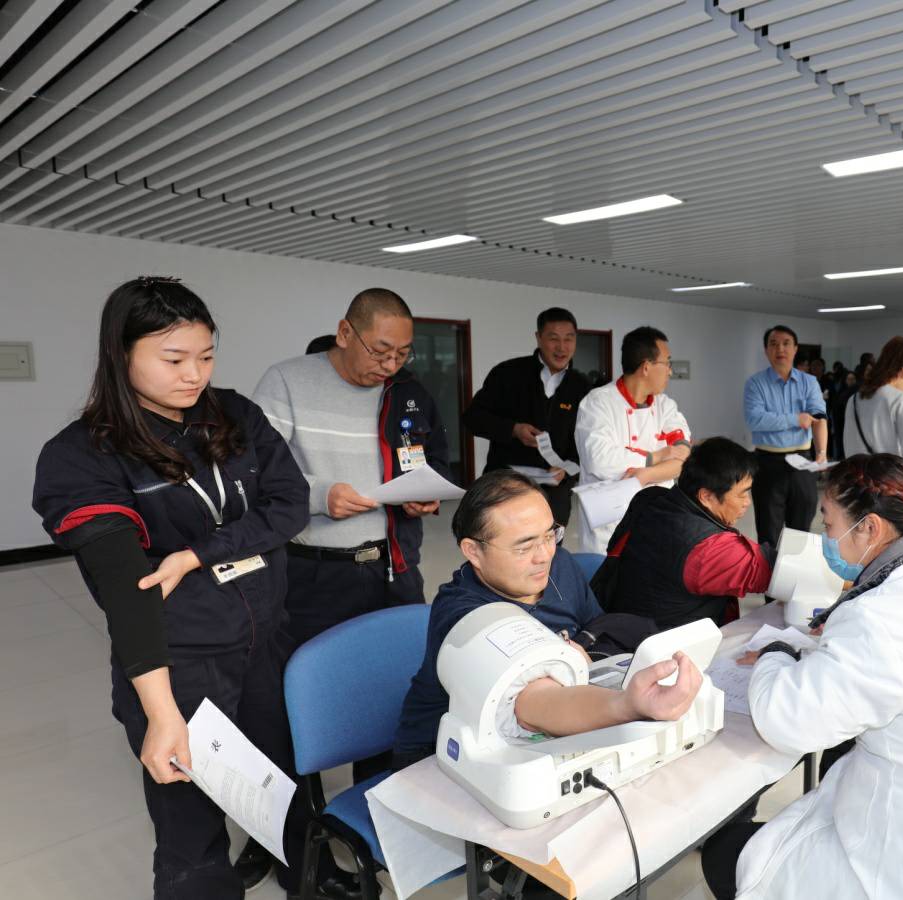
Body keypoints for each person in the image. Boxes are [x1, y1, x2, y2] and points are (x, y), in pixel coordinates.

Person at [30, 278, 353, 899]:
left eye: (206, 356)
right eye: (174, 359)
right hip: (182, 656)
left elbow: (289, 504)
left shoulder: (232, 414)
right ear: (120, 355)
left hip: (265, 635)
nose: (194, 375)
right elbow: (130, 592)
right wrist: (161, 713)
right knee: (189, 815)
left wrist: (199, 553)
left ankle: (309, 874)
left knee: (282, 773)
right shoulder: (83, 457)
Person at [700, 454, 903, 900]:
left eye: (828, 524)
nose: (825, 537)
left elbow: (787, 720)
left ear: (870, 528)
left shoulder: (882, 616)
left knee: (725, 856)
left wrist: (776, 651)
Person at [392, 470, 702, 766]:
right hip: (442, 756)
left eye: (550, 535)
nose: (544, 555)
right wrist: (626, 705)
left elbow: (597, 632)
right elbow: (531, 703)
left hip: (547, 734)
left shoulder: (559, 565)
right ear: (473, 551)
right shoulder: (462, 613)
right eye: (524, 546)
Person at [254, 289, 449, 645]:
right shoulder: (286, 381)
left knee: (404, 664)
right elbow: (255, 469)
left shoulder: (407, 390)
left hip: (396, 567)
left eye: (402, 354)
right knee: (315, 669)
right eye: (380, 351)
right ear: (345, 333)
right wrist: (319, 496)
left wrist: (426, 492)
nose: (390, 365)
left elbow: (436, 457)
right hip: (315, 575)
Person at [598, 437, 772, 629]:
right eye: (741, 494)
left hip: (622, 624)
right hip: (666, 643)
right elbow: (778, 571)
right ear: (706, 496)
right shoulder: (709, 548)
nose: (747, 502)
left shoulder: (650, 499)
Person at [463, 307, 592, 525]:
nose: (562, 347)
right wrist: (513, 429)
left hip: (554, 493)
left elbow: (586, 441)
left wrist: (568, 468)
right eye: (553, 338)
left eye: (569, 339)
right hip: (505, 485)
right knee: (501, 538)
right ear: (538, 338)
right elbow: (472, 418)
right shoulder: (507, 374)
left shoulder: (583, 387)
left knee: (549, 542)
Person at [575, 326, 691, 553]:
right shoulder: (598, 402)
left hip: (657, 515)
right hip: (608, 523)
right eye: (667, 363)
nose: (670, 371)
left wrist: (645, 474)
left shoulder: (665, 406)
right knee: (606, 572)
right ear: (646, 367)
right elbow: (600, 461)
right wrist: (658, 456)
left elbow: (682, 459)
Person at [744, 325, 829, 547]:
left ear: (795, 348)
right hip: (767, 463)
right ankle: (768, 569)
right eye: (773, 344)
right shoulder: (755, 383)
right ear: (766, 350)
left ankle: (794, 569)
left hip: (802, 461)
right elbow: (756, 419)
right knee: (768, 530)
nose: (780, 349)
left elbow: (819, 418)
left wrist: (821, 452)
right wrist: (796, 419)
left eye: (786, 343)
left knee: (801, 531)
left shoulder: (809, 382)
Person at [843, 336, 903, 490]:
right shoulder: (901, 401)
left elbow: (849, 444)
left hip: (858, 484)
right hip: (890, 487)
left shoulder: (854, 400)